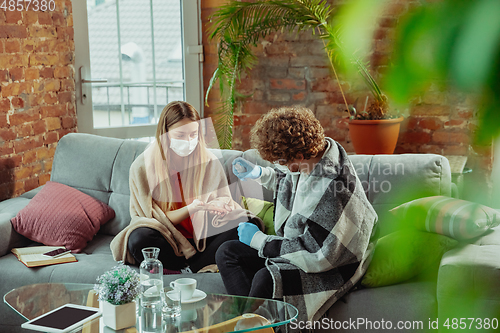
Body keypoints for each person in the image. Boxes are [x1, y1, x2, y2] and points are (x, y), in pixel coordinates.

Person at [215, 106, 378, 322]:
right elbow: (293, 182)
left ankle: (246, 325)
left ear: (299, 155)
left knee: (267, 278)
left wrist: (259, 240)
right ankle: (252, 324)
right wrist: (259, 173)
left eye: (281, 162)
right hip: (307, 247)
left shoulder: (331, 188)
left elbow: (318, 251)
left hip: (335, 262)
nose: (280, 166)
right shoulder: (313, 156)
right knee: (227, 252)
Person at [110, 101, 263, 273]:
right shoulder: (142, 167)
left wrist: (219, 206)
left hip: (203, 240)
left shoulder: (209, 161)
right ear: (165, 134)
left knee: (244, 222)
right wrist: (192, 208)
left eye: (193, 134)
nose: (188, 141)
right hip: (167, 238)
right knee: (138, 238)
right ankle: (191, 265)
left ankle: (190, 268)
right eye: (180, 135)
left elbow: (223, 201)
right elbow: (151, 216)